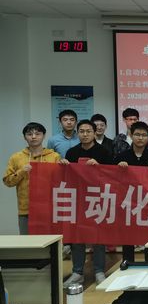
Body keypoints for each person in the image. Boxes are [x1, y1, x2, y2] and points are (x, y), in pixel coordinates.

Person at [60, 120, 113, 285]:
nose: (85, 134)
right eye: (81, 131)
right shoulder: (72, 152)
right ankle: (77, 272)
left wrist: (100, 167)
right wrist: (64, 166)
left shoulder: (104, 151)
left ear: (94, 132)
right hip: (78, 199)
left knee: (98, 238)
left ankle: (99, 271)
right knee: (77, 238)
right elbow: (66, 176)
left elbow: (112, 175)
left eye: (88, 131)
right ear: (78, 133)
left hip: (98, 198)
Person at [115, 121, 148, 263]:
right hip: (128, 202)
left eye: (144, 135)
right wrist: (118, 168)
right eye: (137, 134)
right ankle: (127, 263)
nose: (140, 138)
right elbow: (111, 178)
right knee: (128, 234)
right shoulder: (122, 156)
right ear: (131, 135)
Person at [3, 122, 60, 235]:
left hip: (50, 209)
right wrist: (21, 171)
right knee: (28, 242)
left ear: (44, 135)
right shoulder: (16, 157)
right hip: (26, 210)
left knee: (51, 242)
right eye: (29, 134)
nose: (33, 137)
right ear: (25, 137)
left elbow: (61, 181)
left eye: (37, 134)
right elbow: (8, 182)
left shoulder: (54, 156)